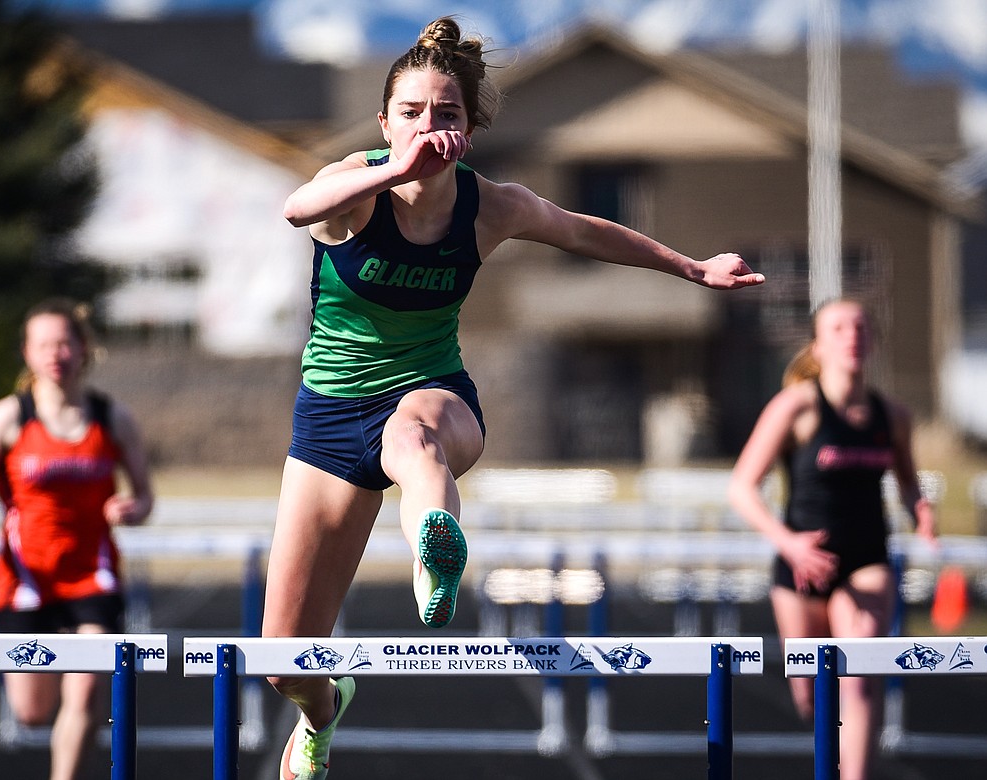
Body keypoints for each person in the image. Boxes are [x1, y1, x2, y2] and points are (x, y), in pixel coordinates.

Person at [265, 16, 765, 780]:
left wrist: (692, 269)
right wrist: (391, 173)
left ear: (470, 129)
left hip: (433, 394)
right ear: (384, 122)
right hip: (329, 418)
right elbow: (298, 209)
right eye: (411, 113)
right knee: (281, 661)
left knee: (413, 441)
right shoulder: (355, 185)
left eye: (447, 114)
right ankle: (324, 707)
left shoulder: (490, 206)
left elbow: (587, 232)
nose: (428, 128)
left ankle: (435, 551)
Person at [728, 297, 937, 780]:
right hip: (802, 563)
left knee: (859, 675)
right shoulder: (796, 406)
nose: (853, 335)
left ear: (874, 341)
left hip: (867, 559)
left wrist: (919, 509)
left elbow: (908, 481)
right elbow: (741, 487)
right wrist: (790, 543)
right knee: (809, 691)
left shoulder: (893, 415)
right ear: (818, 347)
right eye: (839, 328)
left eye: (862, 326)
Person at [0, 298, 153, 780]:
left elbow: (145, 496)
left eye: (65, 342)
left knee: (83, 695)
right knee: (31, 712)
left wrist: (132, 508)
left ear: (84, 349)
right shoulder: (9, 417)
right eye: (44, 344)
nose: (55, 353)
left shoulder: (112, 418)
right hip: (26, 579)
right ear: (27, 353)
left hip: (92, 578)